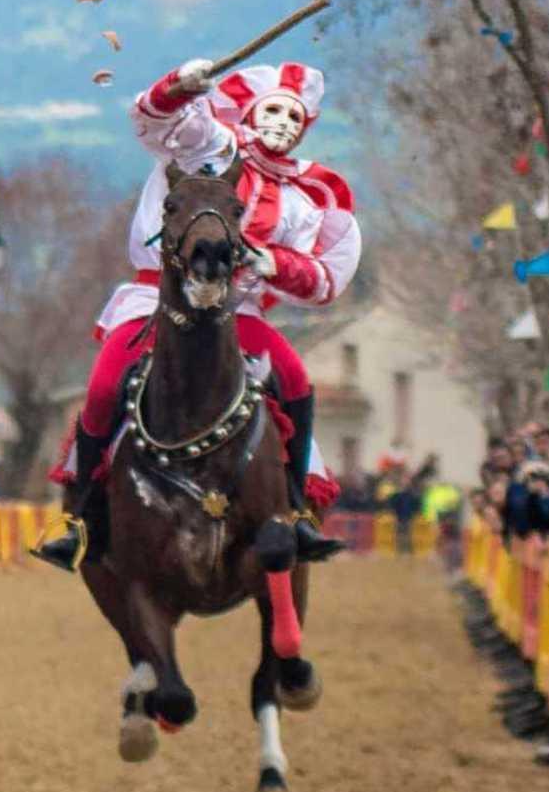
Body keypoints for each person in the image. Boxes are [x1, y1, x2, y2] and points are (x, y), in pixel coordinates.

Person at [36, 58, 361, 571]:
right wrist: (178, 86)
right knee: (103, 387)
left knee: (296, 380)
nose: (282, 123)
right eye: (274, 110)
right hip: (156, 297)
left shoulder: (308, 198)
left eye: (294, 118)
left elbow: (326, 279)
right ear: (253, 110)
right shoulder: (209, 143)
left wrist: (273, 262)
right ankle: (81, 516)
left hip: (241, 307)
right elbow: (152, 120)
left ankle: (294, 509)